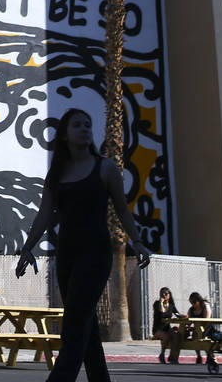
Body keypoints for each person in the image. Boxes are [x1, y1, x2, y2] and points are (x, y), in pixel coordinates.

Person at [14, 108, 153, 382]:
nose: (85, 129)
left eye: (88, 124)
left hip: (96, 254)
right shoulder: (57, 174)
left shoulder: (106, 168)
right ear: (65, 135)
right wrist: (27, 248)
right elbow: (45, 213)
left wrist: (137, 241)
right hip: (66, 254)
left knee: (75, 324)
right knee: (85, 327)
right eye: (77, 125)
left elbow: (123, 210)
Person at [152, 287, 183, 364]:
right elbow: (162, 313)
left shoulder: (171, 305)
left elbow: (177, 313)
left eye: (166, 294)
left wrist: (183, 316)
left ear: (169, 295)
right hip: (158, 329)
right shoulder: (157, 304)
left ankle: (172, 356)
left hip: (167, 328)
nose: (164, 295)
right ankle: (162, 354)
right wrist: (161, 303)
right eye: (162, 294)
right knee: (166, 336)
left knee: (177, 335)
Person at [187, 292, 212, 364]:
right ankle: (198, 355)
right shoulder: (191, 310)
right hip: (196, 329)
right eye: (191, 302)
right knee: (195, 336)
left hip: (207, 328)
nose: (193, 304)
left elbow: (207, 320)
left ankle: (209, 356)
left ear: (199, 300)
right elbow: (189, 320)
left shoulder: (205, 306)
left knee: (204, 337)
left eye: (194, 302)